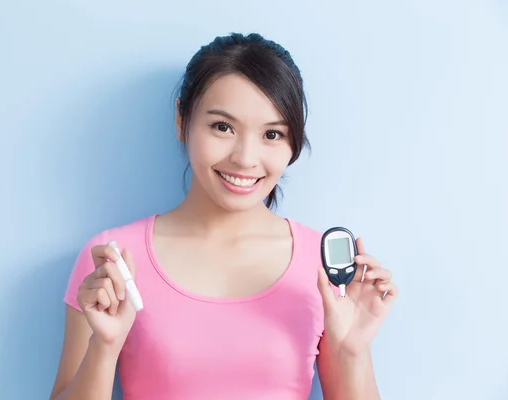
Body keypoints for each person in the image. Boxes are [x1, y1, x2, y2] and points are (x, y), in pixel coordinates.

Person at [49, 32, 398, 400]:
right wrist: (104, 347)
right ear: (182, 120)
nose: (245, 158)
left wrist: (351, 351)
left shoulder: (322, 265)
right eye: (222, 127)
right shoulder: (113, 260)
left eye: (272, 134)